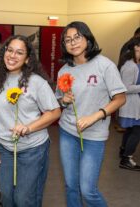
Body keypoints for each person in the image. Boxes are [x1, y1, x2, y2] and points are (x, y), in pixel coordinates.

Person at [55, 21, 126, 207]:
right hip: (67, 132)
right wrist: (64, 101)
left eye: (77, 37)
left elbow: (120, 99)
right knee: (71, 185)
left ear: (88, 38)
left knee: (88, 190)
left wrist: (95, 116)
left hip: (94, 135)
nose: (73, 42)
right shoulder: (64, 70)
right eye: (68, 40)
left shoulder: (105, 65)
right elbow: (58, 100)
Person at [0, 35, 61, 207]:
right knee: (8, 198)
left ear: (27, 59)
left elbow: (55, 112)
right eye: (9, 50)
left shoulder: (36, 82)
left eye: (19, 53)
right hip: (4, 150)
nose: (12, 56)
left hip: (33, 150)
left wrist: (28, 127)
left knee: (24, 200)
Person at [118, 37, 140, 171]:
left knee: (131, 129)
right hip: (131, 104)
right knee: (137, 131)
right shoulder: (129, 66)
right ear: (136, 47)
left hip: (135, 104)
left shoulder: (134, 64)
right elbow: (126, 87)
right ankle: (126, 158)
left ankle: (124, 152)